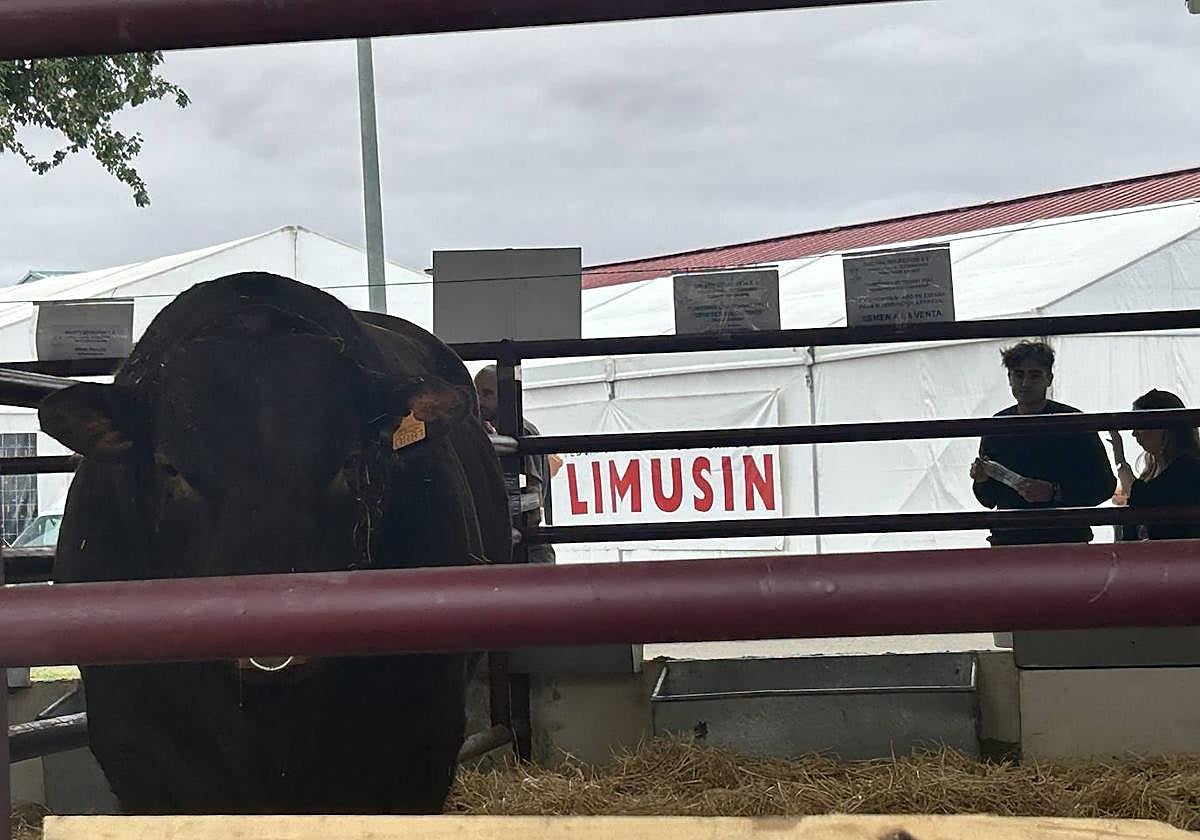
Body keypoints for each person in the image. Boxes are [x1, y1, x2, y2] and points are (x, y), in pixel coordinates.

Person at [970, 340, 1116, 547]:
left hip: (1062, 541)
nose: (1025, 383)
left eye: (1034, 375)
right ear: (1009, 379)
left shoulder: (1074, 423)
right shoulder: (996, 426)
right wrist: (982, 480)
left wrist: (1055, 492)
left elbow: (1105, 486)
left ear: (1049, 379)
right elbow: (988, 499)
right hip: (1012, 541)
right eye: (1018, 374)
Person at [473, 365, 562, 564]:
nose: (478, 400)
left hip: (527, 548)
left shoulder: (522, 432)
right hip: (511, 543)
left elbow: (532, 499)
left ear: (506, 398)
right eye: (476, 392)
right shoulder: (490, 435)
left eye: (486, 393)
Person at [1108, 389, 1200, 541]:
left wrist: (1121, 462)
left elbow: (1144, 500)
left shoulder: (1189, 469)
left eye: (1141, 425)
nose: (1134, 433)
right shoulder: (1152, 469)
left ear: (1164, 428)